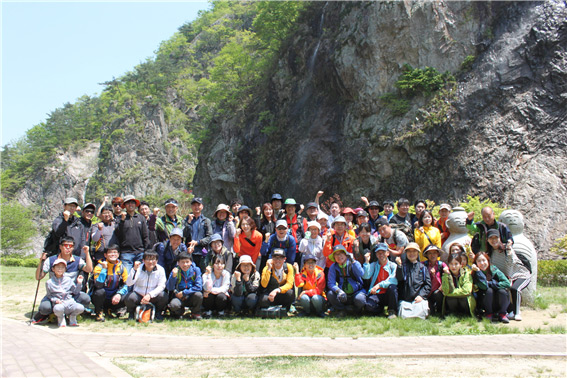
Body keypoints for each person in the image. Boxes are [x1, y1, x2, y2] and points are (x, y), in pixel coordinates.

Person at [34, 236, 93, 323]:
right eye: (65, 245)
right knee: (44, 308)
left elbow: (89, 269)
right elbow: (39, 277)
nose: (68, 248)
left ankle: (71, 313)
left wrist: (87, 253)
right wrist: (41, 262)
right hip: (55, 294)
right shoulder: (51, 260)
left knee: (86, 298)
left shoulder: (77, 260)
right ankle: (51, 313)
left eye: (71, 246)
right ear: (60, 246)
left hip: (71, 293)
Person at [485, 229, 530, 321]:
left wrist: (509, 249)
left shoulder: (507, 249)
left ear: (500, 238)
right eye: (491, 238)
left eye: (496, 238)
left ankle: (517, 313)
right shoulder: (490, 253)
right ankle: (508, 311)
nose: (493, 240)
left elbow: (510, 264)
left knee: (515, 289)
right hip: (507, 277)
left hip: (521, 274)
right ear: (487, 240)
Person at [125, 251, 168, 321]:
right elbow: (129, 283)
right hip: (139, 295)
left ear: (157, 260)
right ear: (143, 260)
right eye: (148, 259)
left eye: (153, 259)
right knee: (130, 297)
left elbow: (161, 286)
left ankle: (158, 313)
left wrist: (150, 295)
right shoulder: (138, 268)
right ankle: (131, 313)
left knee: (164, 296)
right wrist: (134, 270)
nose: (150, 262)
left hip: (153, 296)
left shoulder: (160, 270)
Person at [326, 245, 366, 316]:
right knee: (330, 294)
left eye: (341, 253)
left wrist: (353, 261)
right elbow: (330, 283)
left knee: (360, 299)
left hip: (357, 292)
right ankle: (342, 310)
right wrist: (338, 291)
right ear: (334, 257)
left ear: (346, 254)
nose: (339, 256)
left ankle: (356, 310)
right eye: (336, 254)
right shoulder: (333, 267)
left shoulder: (353, 263)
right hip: (342, 294)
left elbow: (361, 273)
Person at [92, 245, 128, 322]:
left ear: (118, 254)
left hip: (114, 297)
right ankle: (99, 312)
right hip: (100, 296)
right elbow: (98, 285)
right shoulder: (99, 266)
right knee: (99, 292)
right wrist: (104, 269)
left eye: (115, 252)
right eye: (110, 253)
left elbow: (127, 284)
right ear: (105, 255)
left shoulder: (122, 267)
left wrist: (119, 294)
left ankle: (110, 310)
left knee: (127, 297)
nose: (113, 255)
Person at [115, 195, 150, 273]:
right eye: (128, 203)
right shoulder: (119, 218)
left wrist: (146, 251)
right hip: (126, 253)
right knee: (126, 278)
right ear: (125, 205)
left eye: (132, 203)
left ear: (135, 204)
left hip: (140, 252)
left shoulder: (141, 218)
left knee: (139, 277)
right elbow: (117, 234)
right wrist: (122, 221)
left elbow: (145, 235)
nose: (130, 205)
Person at [45, 259, 85, 327]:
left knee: (81, 308)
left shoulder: (68, 280)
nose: (60, 269)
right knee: (58, 309)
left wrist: (79, 283)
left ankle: (72, 316)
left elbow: (75, 291)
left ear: (65, 269)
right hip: (59, 304)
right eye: (58, 267)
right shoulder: (49, 282)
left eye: (62, 267)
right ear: (53, 269)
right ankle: (61, 318)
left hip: (70, 302)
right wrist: (55, 300)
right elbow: (49, 295)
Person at [363, 243, 398, 318]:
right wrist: (366, 262)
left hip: (388, 293)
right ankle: (380, 309)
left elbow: (393, 280)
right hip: (377, 293)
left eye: (383, 252)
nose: (381, 254)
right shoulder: (374, 265)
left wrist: (379, 285)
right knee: (368, 307)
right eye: (379, 253)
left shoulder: (393, 266)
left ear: (387, 253)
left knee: (393, 288)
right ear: (376, 255)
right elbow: (366, 276)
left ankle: (392, 311)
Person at [166, 252, 203, 320]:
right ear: (178, 263)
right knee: (174, 304)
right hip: (178, 297)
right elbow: (169, 287)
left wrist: (184, 293)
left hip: (191, 296)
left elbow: (199, 287)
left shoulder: (196, 270)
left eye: (187, 262)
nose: (185, 264)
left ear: (191, 262)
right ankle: (179, 313)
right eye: (182, 262)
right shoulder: (175, 270)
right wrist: (173, 277)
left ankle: (195, 312)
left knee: (199, 295)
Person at [183, 197, 213, 271]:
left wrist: (198, 242)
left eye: (198, 205)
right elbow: (184, 235)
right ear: (191, 207)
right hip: (189, 252)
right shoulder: (186, 220)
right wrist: (189, 222)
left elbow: (209, 237)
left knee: (202, 274)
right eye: (194, 205)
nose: (196, 207)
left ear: (202, 206)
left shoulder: (206, 221)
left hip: (202, 253)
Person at [441, 253, 476, 317]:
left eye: (456, 264)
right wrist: (447, 275)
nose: (453, 267)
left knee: (463, 298)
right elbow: (445, 291)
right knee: (450, 299)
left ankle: (465, 314)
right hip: (452, 302)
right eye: (451, 264)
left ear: (460, 265)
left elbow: (466, 291)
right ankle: (453, 314)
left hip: (464, 301)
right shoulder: (445, 274)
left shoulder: (467, 274)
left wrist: (451, 292)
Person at [422, 244, 447, 316]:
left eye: (434, 253)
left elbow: (448, 276)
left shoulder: (442, 265)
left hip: (438, 291)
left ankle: (440, 310)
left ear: (438, 254)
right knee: (431, 312)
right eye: (430, 253)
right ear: (426, 255)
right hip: (426, 292)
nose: (432, 255)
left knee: (438, 294)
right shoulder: (422, 265)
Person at [280, 198, 307, 262]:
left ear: (295, 208)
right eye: (288, 206)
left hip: (299, 251)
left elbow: (306, 235)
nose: (290, 208)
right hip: (285, 250)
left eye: (292, 206)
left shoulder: (302, 220)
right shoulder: (281, 220)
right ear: (285, 208)